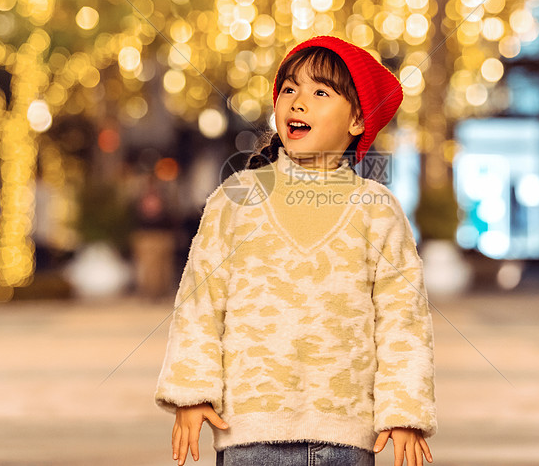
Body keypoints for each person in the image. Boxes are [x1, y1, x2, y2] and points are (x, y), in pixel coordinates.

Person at [155, 35, 437, 466]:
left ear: (358, 121)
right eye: (289, 89)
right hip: (247, 434)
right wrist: (191, 392)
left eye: (320, 92)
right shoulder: (236, 198)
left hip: (346, 438)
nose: (298, 101)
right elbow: (200, 302)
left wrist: (405, 412)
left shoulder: (377, 210)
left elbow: (404, 320)